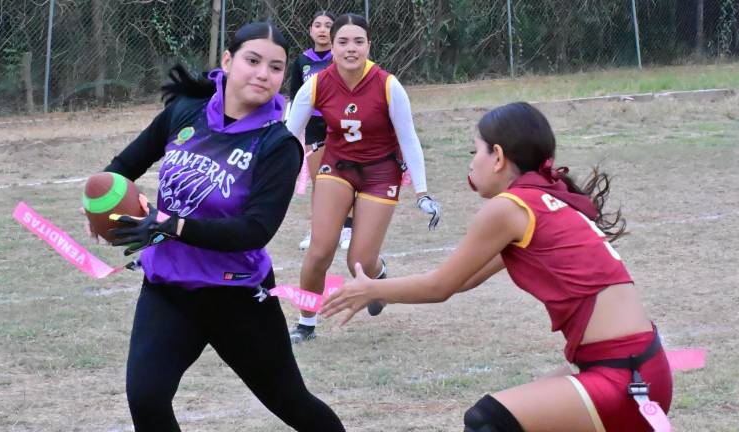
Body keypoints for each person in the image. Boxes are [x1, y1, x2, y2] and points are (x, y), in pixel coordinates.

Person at [321, 102, 673, 431]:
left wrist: (372, 289)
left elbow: (440, 286)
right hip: (635, 367)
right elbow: (462, 280)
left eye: (475, 151)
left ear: (499, 157)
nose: (471, 163)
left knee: (486, 421)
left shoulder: (510, 208)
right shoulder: (543, 199)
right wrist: (381, 291)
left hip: (625, 377)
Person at [91, 22, 346, 432]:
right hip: (168, 288)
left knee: (293, 404)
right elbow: (122, 167)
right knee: (147, 399)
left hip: (237, 296)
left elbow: (254, 230)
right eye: (253, 60)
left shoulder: (278, 144)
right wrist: (100, 204)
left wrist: (170, 225)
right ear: (228, 61)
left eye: (275, 67)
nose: (263, 74)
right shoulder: (185, 112)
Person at [285, 13, 441, 344]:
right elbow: (287, 136)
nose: (351, 48)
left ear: (369, 45)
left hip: (380, 172)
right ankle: (305, 323)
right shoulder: (316, 84)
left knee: (358, 260)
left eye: (358, 41)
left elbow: (409, 138)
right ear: (332, 47)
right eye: (343, 42)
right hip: (338, 167)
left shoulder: (388, 84)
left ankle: (378, 275)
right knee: (319, 250)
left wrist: (422, 192)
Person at [288, 11, 354, 251]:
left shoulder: (341, 58)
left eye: (328, 25)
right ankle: (319, 229)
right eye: (318, 25)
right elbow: (296, 97)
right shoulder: (301, 61)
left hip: (339, 122)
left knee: (346, 177)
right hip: (314, 126)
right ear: (310, 30)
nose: (323, 30)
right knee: (320, 180)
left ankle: (348, 228)